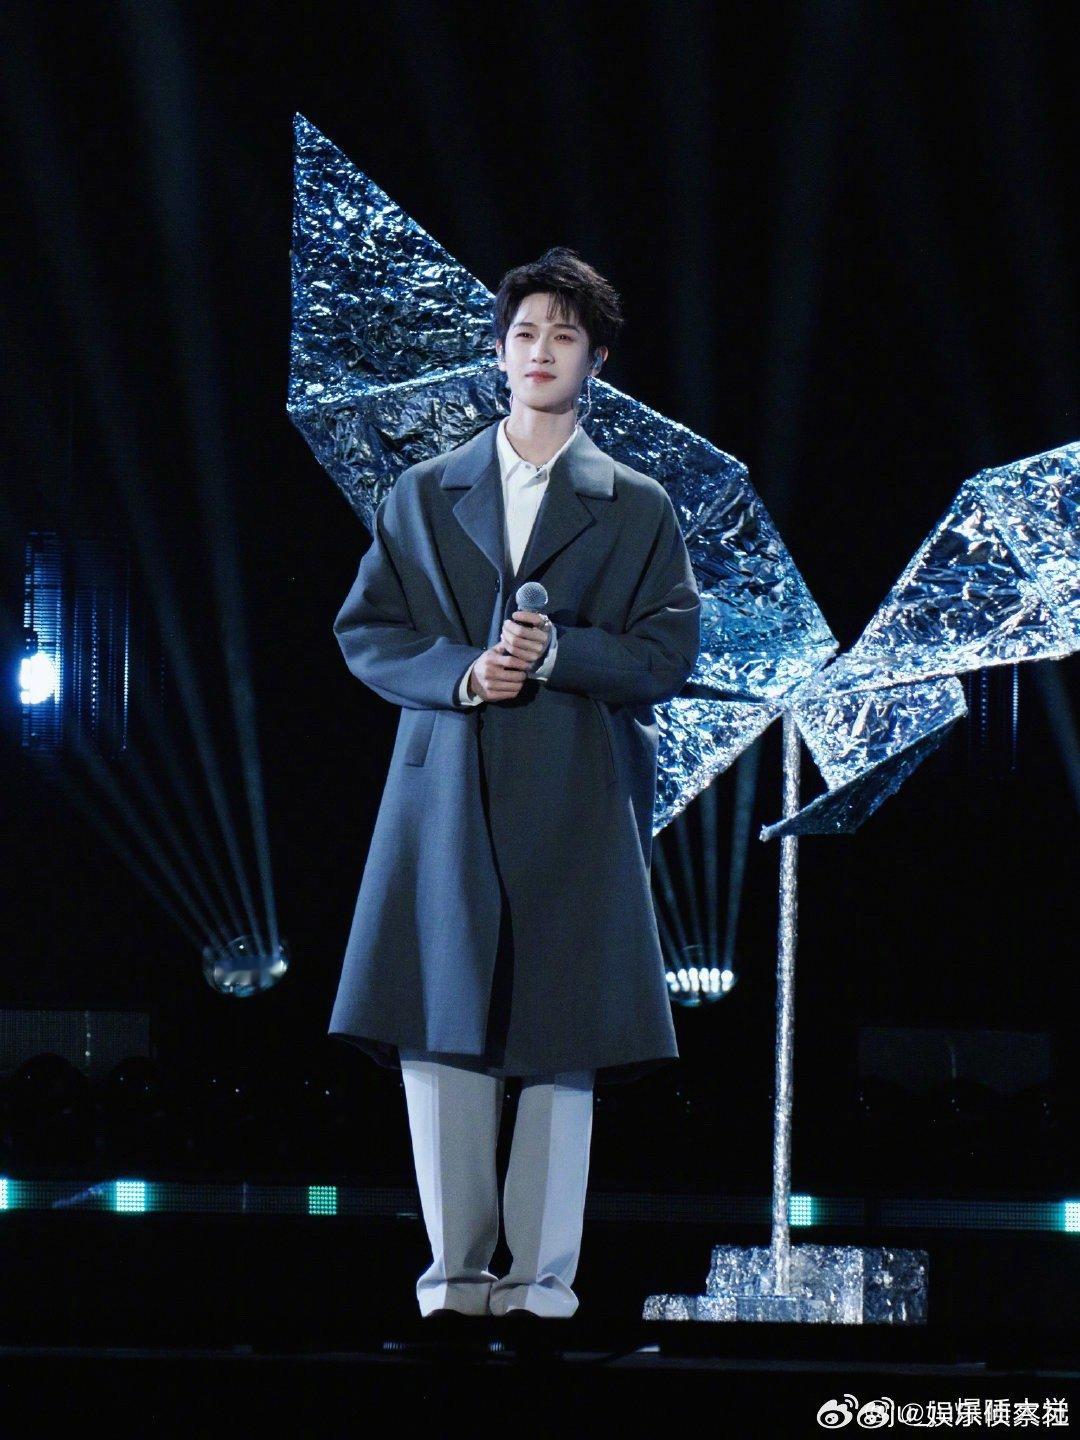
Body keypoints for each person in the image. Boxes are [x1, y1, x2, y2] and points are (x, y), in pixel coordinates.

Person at [329, 247, 701, 1321]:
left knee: (561, 1034)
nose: (542, 351)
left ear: (597, 361)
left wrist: (557, 655)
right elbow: (368, 629)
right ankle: (452, 1284)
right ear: (498, 352)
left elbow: (667, 651)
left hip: (576, 792)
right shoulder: (421, 492)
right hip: (444, 789)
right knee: (441, 1025)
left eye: (565, 336)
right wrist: (463, 673)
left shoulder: (636, 505)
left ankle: (541, 1287)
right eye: (527, 332)